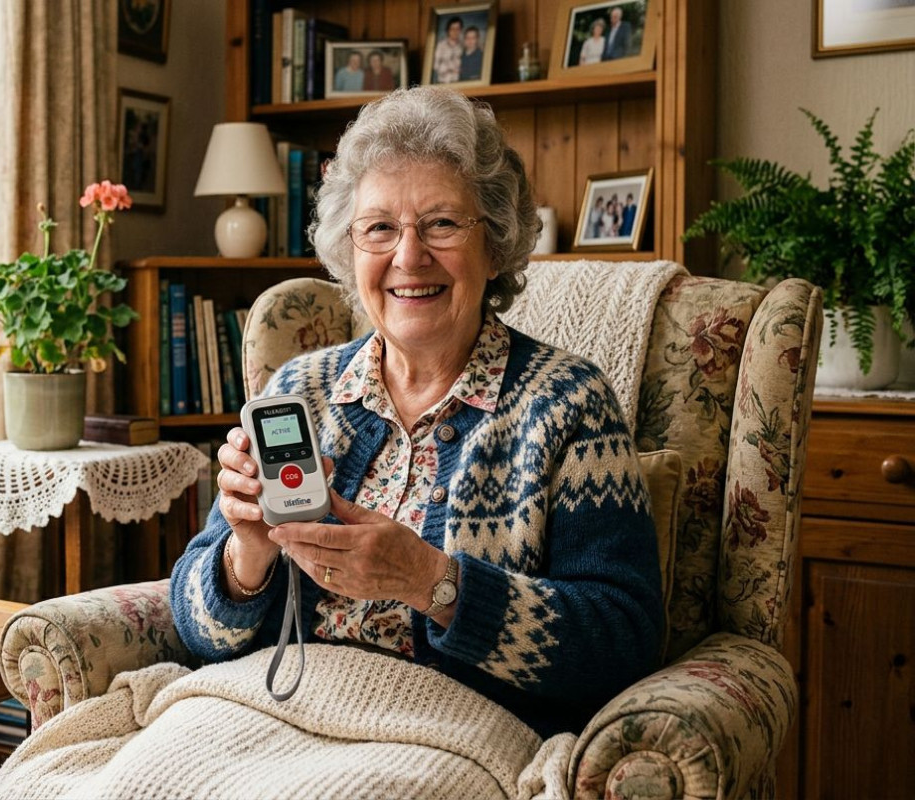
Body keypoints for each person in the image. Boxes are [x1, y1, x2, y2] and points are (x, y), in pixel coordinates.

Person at [171, 86, 665, 738]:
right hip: (269, 714)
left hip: (447, 737)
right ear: (350, 252)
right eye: (379, 228)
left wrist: (436, 584)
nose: (409, 257)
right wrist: (248, 554)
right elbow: (193, 625)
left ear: (495, 247)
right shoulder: (300, 390)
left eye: (441, 223)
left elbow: (625, 640)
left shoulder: (567, 403)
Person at [432, 16, 463, 83]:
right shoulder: (440, 46)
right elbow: (435, 65)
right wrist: (449, 69)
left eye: (457, 29)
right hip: (443, 83)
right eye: (452, 29)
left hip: (460, 83)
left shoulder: (463, 46)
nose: (455, 32)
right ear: (448, 30)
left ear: (460, 30)